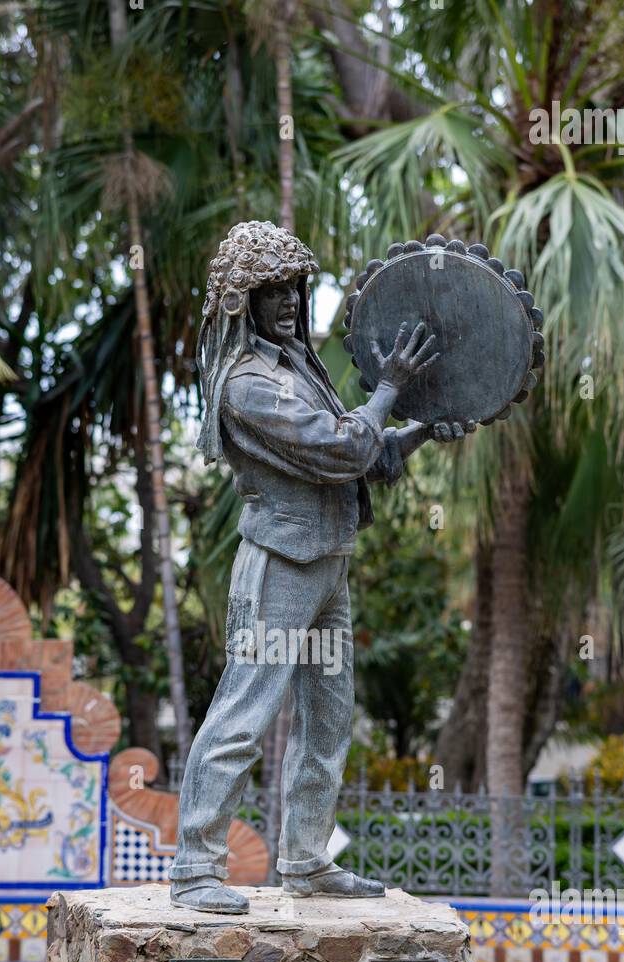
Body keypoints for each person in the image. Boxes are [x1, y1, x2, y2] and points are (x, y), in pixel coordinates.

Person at [170, 220, 471, 913]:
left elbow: (371, 456)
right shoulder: (247, 384)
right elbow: (340, 448)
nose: (287, 304)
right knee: (245, 713)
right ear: (243, 301)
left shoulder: (297, 368)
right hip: (280, 566)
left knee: (330, 721)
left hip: (327, 564)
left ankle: (306, 860)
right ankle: (195, 866)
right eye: (271, 292)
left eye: (294, 290)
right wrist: (391, 387)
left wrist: (424, 427)